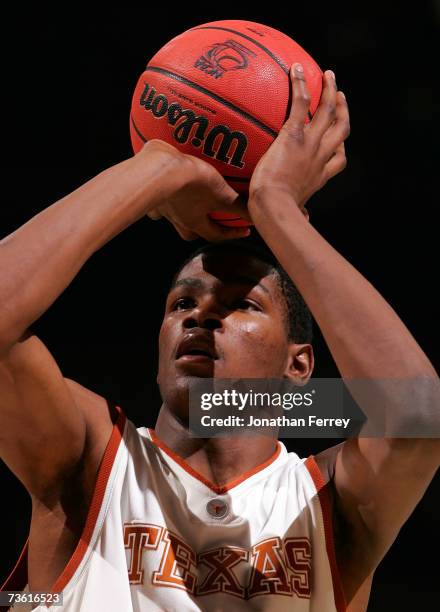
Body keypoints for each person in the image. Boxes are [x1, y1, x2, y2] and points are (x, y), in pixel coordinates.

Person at [0, 63, 438, 612]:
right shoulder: (91, 462)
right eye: (181, 303)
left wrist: (277, 210)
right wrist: (161, 167)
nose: (200, 315)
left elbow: (417, 415)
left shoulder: (329, 500)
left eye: (240, 304)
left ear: (298, 367)